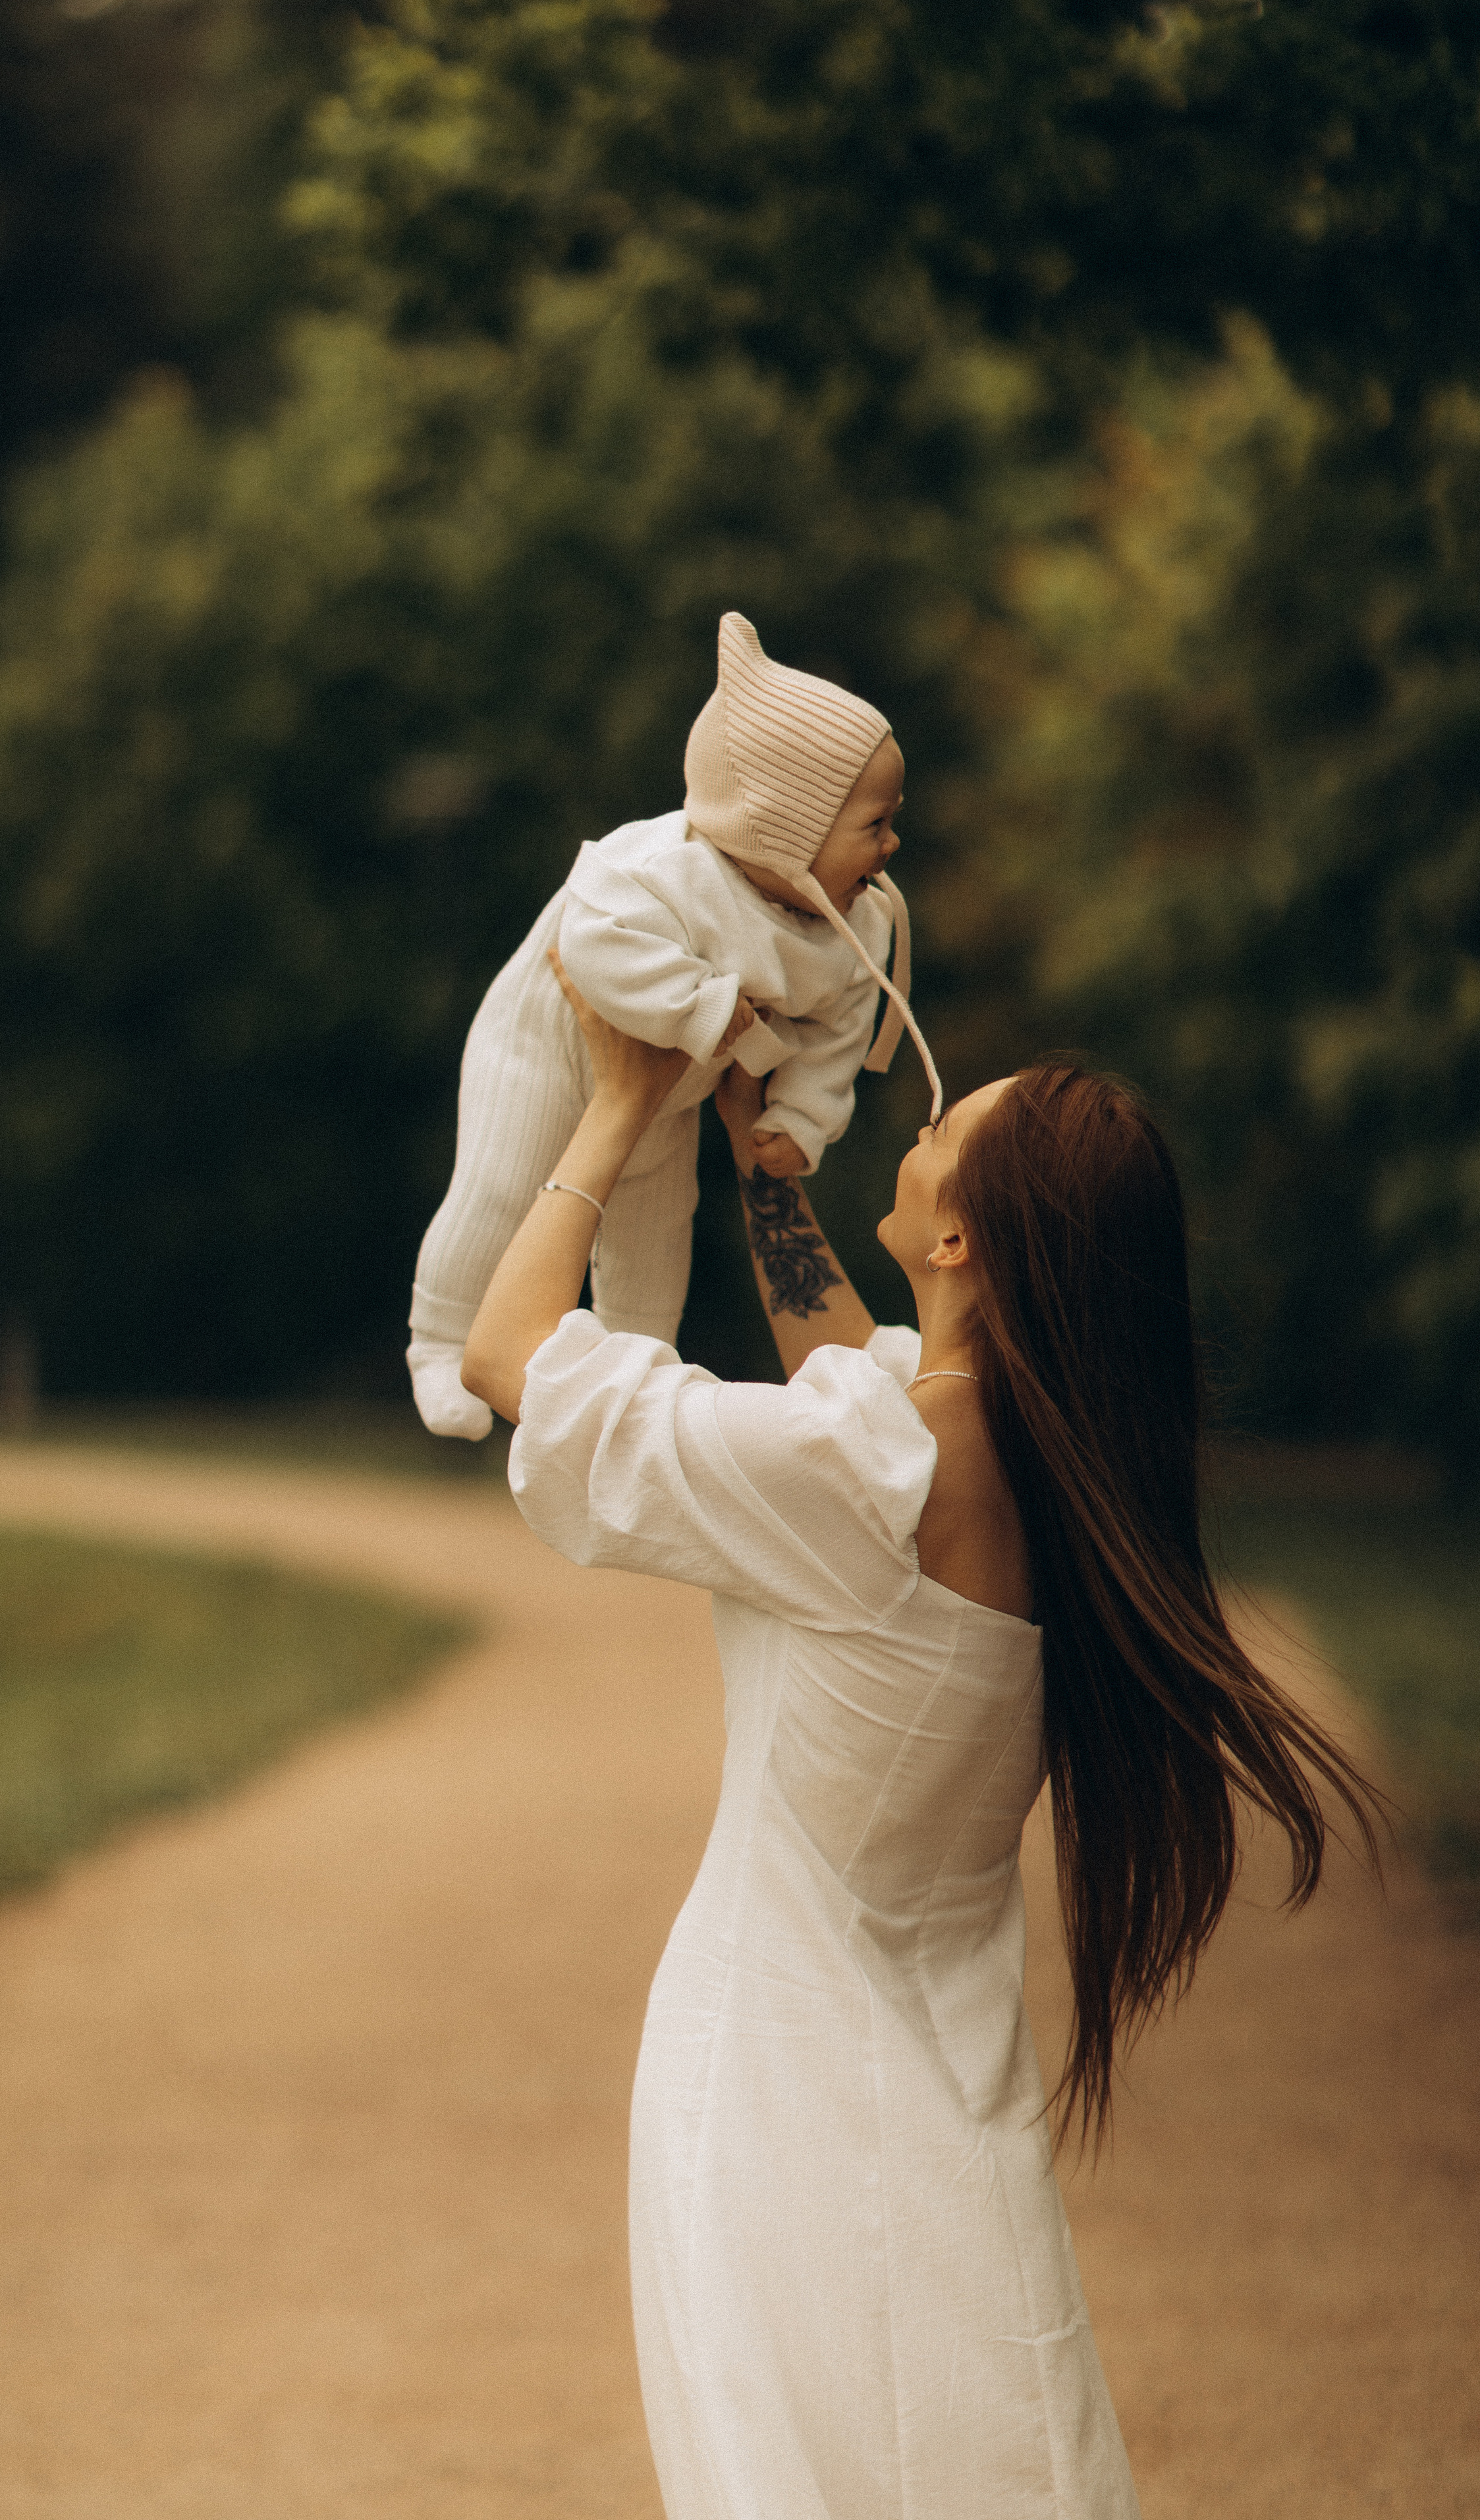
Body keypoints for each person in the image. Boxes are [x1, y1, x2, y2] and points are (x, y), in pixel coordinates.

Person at [460, 977, 1381, 2520]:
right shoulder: (1018, 1452)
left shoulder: (872, 1476)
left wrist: (613, 1105)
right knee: (961, 2449)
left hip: (780, 2087)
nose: (925, 1115)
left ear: (958, 1239)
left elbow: (509, 1357)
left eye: (950, 1123)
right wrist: (764, 1173)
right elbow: (855, 1366)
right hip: (926, 2083)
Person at [406, 612, 943, 1441]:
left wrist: (797, 1117)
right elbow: (591, 940)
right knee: (499, 1190)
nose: (891, 844)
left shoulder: (856, 926)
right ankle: (439, 1342)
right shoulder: (661, 869)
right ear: (781, 829)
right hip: (546, 1046)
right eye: (873, 824)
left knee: (658, 1230)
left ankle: (638, 1362)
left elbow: (837, 1030)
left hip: (674, 1086)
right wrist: (701, 1007)